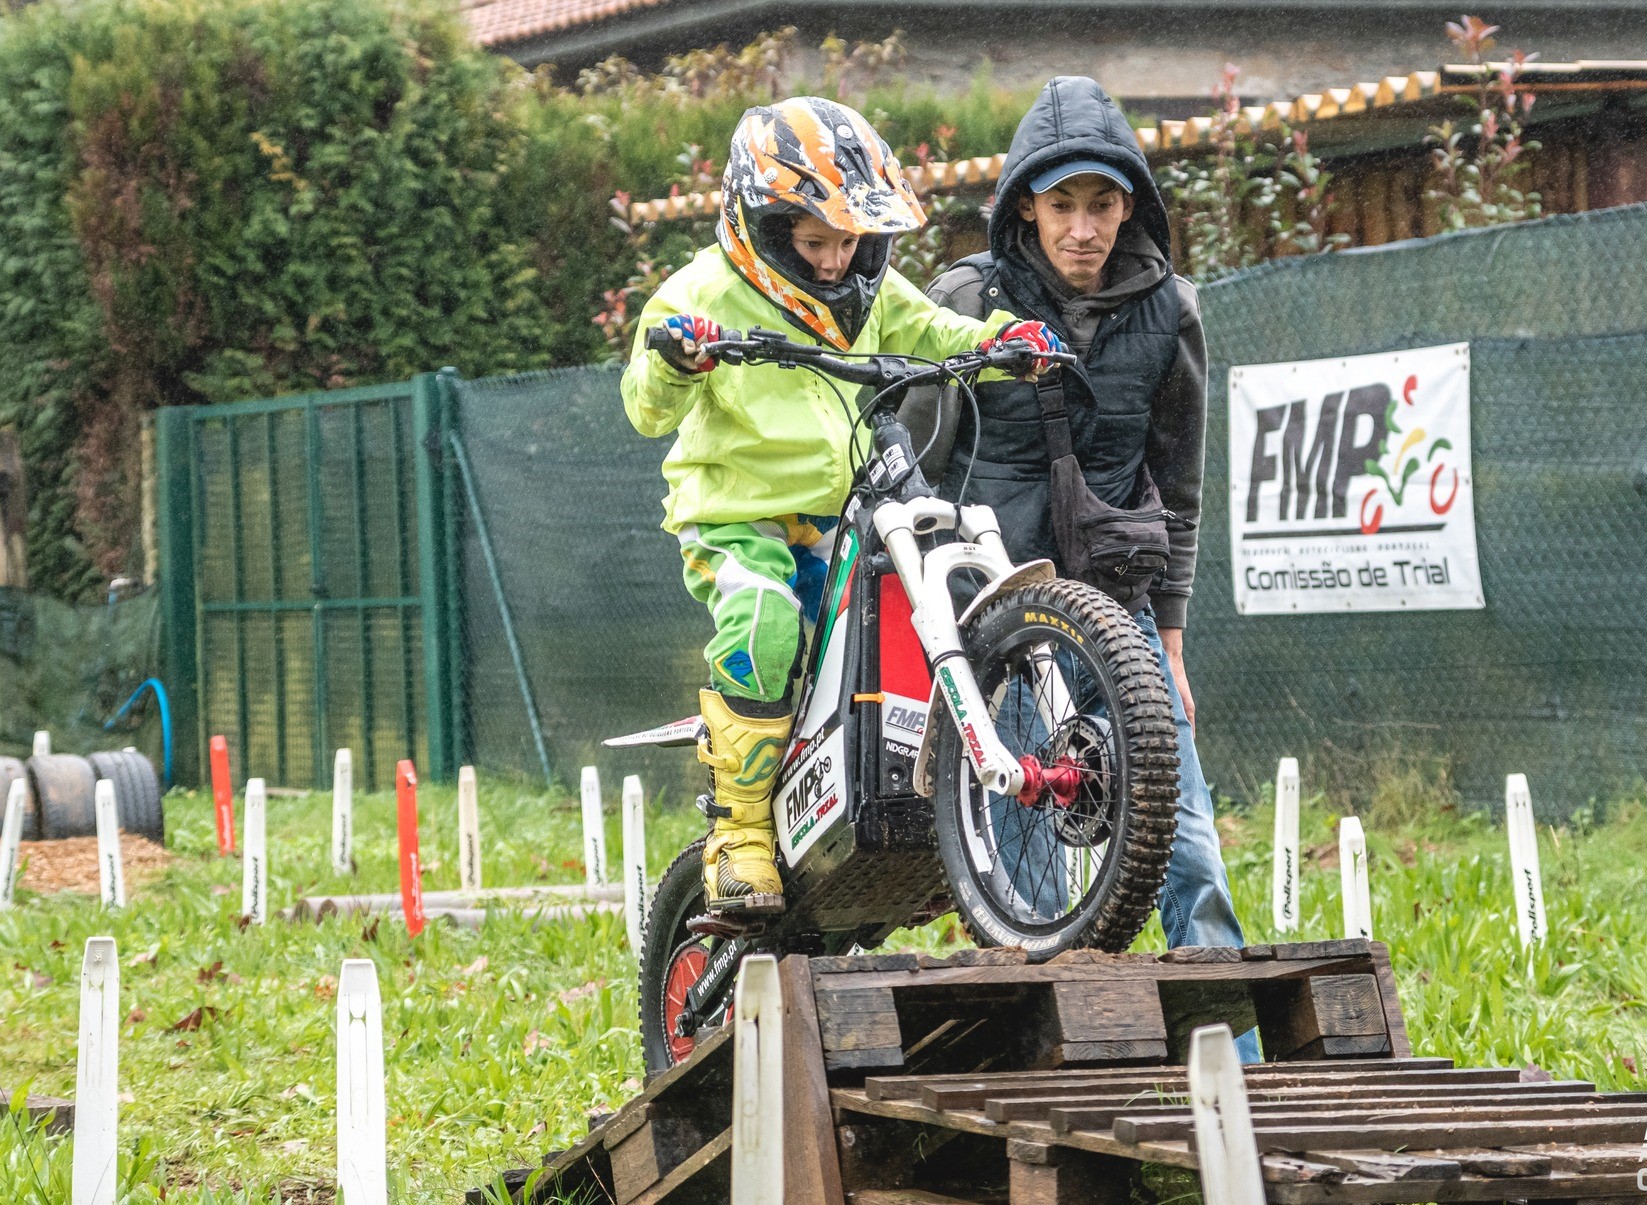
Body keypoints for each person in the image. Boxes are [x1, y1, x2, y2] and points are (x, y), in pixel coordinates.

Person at [622, 96, 1062, 915]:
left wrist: (1005, 342)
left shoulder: (867, 286)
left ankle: (901, 800)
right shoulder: (698, 290)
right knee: (765, 622)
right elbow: (644, 408)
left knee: (904, 614)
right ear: (760, 224)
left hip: (838, 516)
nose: (832, 260)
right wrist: (675, 357)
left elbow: (937, 331)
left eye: (849, 241)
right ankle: (740, 832)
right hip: (734, 518)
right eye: (813, 240)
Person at [902, 76, 1260, 1060]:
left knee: (1183, 833)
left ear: (1130, 204)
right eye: (1062, 205)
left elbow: (1178, 488)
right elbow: (917, 460)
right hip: (1003, 615)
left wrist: (1171, 644)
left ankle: (1237, 1064)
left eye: (1103, 205)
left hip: (1116, 602)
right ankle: (1050, 1057)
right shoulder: (968, 302)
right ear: (1027, 203)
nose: (1083, 228)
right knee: (1026, 856)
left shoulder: (1170, 310)